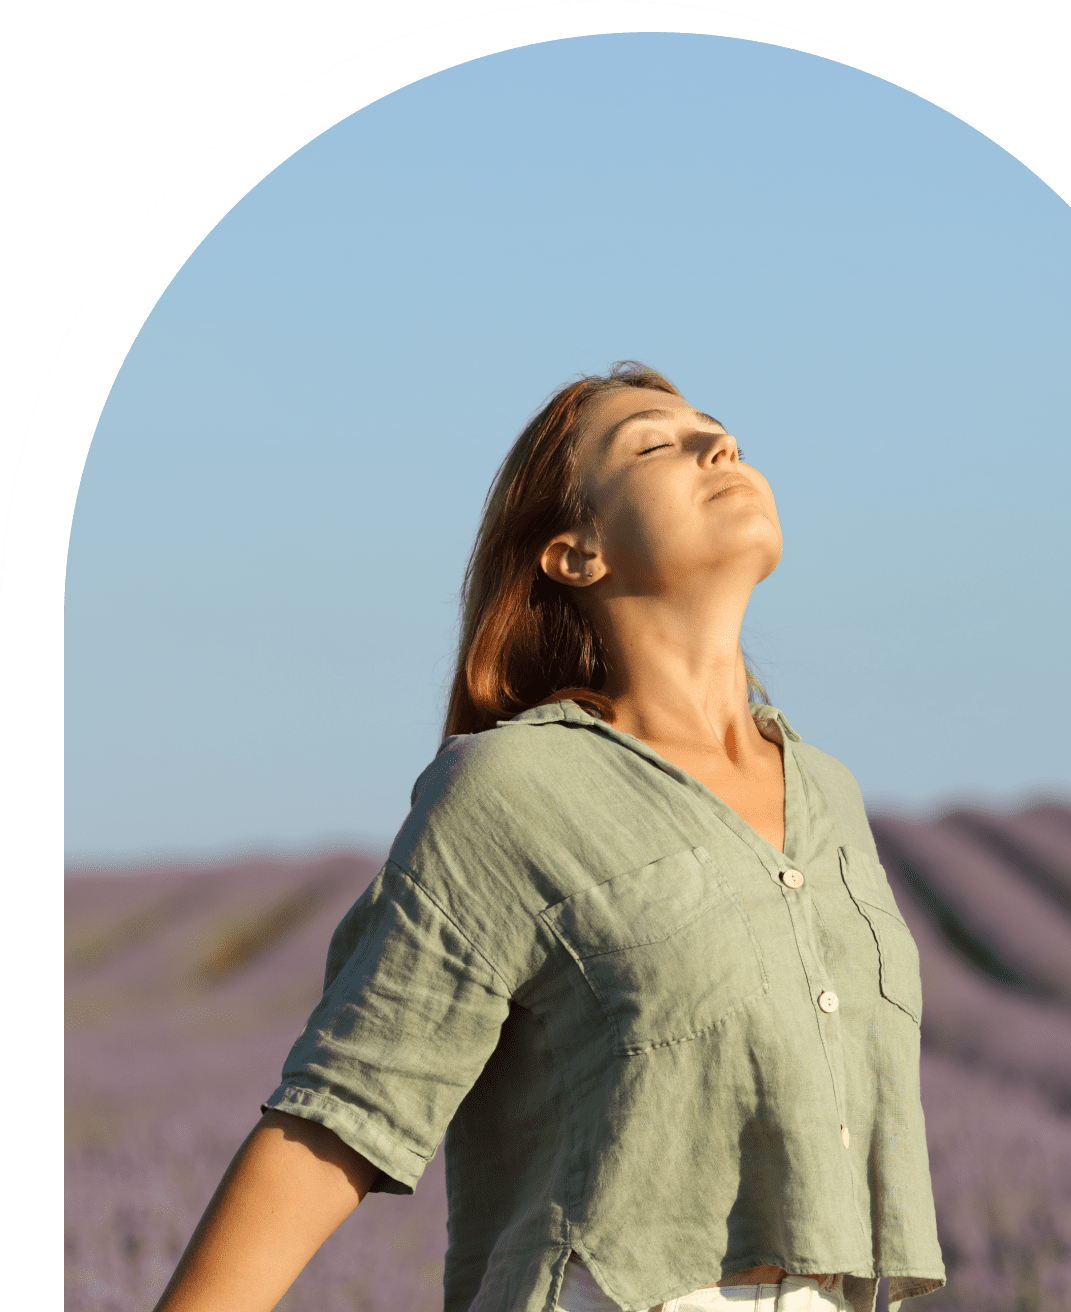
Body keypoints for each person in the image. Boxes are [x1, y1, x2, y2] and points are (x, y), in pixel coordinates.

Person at [152, 362, 946, 1312]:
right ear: (577, 554)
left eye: (720, 432)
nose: (718, 446)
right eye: (657, 442)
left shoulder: (831, 795)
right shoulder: (511, 792)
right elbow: (340, 1121)